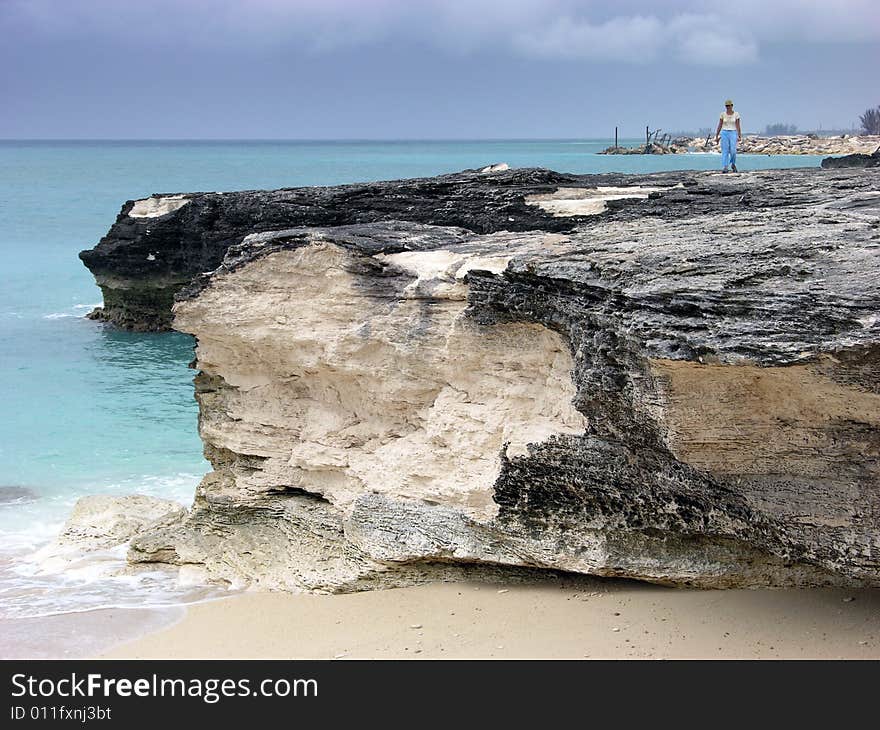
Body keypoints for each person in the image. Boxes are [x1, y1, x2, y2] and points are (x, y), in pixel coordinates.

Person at [714, 99, 741, 172]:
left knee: (733, 150)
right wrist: (717, 135)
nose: (728, 107)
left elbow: (738, 125)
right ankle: (725, 166)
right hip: (724, 132)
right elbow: (719, 125)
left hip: (733, 132)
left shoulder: (736, 114)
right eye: (726, 106)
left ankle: (733, 163)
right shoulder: (722, 114)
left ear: (732, 106)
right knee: (725, 150)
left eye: (729, 105)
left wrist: (739, 135)